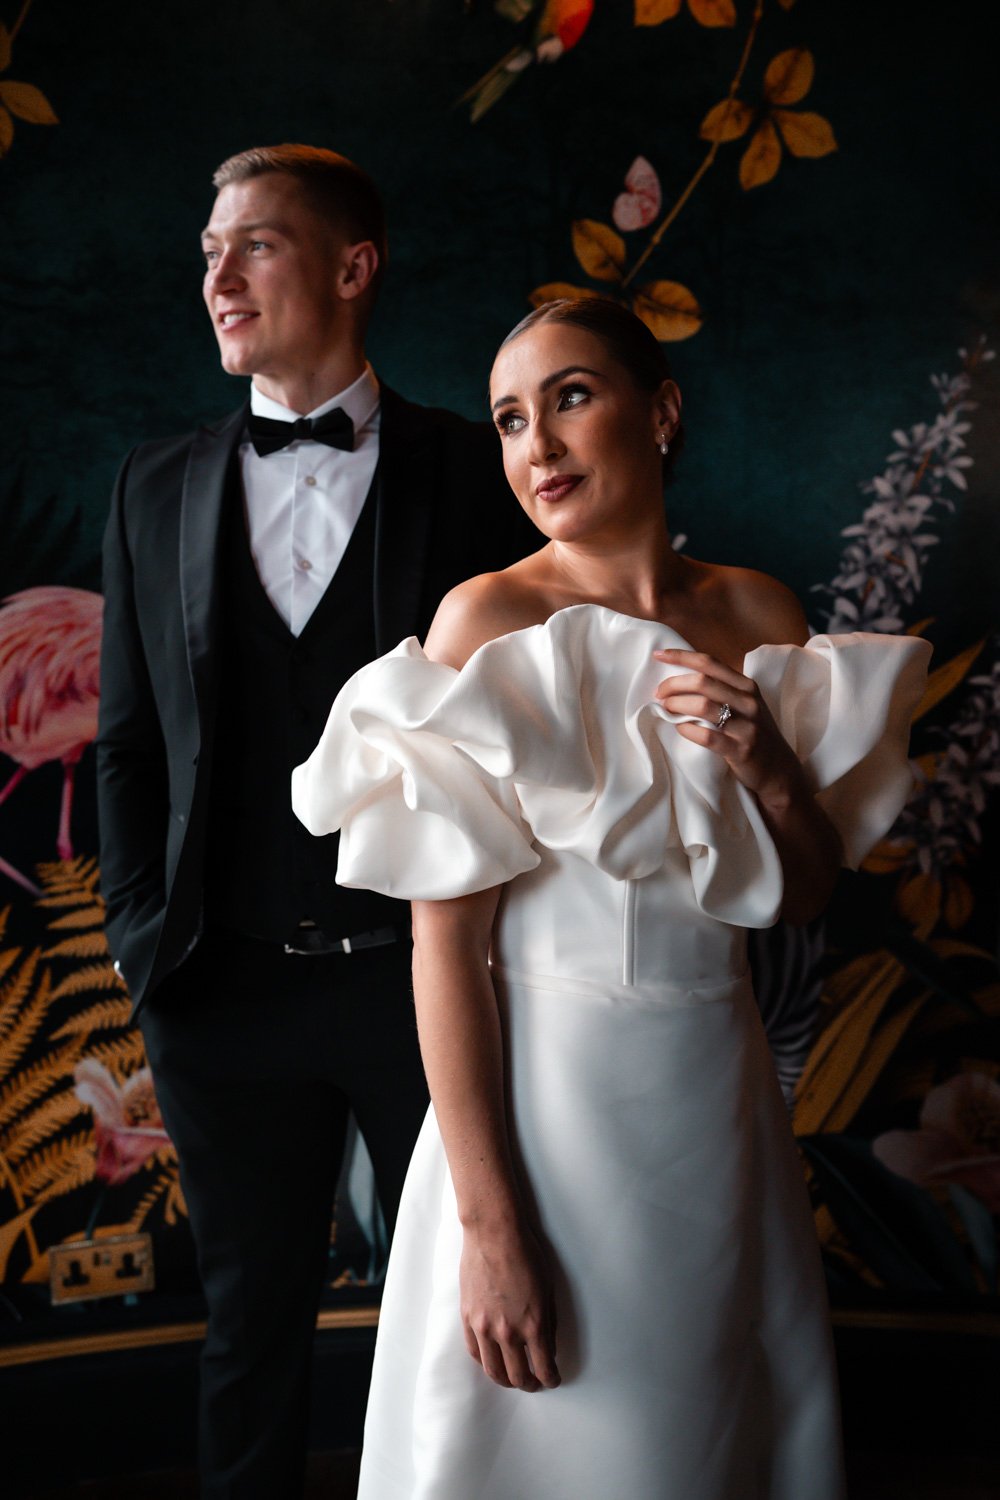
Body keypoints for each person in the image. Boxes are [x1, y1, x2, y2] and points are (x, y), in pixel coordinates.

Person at [293, 296, 933, 1499]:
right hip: (539, 1118)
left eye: (572, 396)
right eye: (508, 419)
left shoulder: (756, 613)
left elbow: (794, 900)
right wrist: (489, 1232)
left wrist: (771, 770)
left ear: (662, 411)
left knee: (700, 1442)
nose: (537, 445)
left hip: (711, 1104)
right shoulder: (486, 619)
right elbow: (445, 954)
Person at [96, 143, 537, 1500]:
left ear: (354, 267)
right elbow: (125, 743)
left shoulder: (478, 473)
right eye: (209, 253)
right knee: (248, 1333)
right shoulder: (153, 484)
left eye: (258, 245)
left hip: (429, 988)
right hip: (218, 989)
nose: (219, 276)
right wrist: (141, 945)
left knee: (473, 1324)